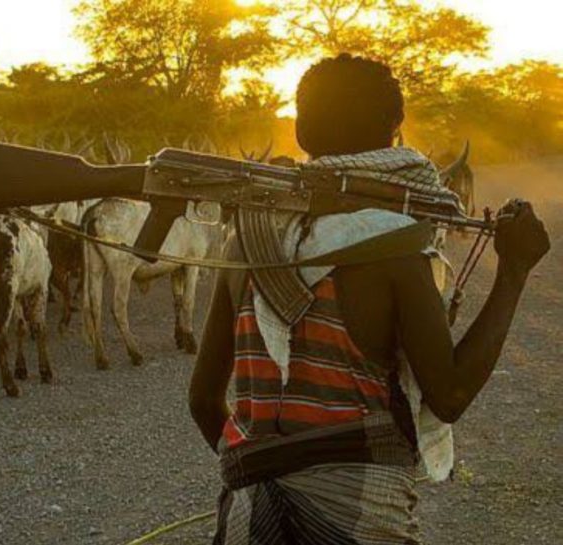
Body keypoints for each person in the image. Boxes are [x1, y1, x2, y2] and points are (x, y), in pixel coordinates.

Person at [188, 53, 550, 544]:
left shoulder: (246, 241)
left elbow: (204, 401)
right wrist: (513, 272)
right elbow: (449, 396)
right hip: (364, 518)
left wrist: (261, 467)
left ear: (299, 132)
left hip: (248, 516)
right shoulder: (395, 247)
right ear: (395, 131)